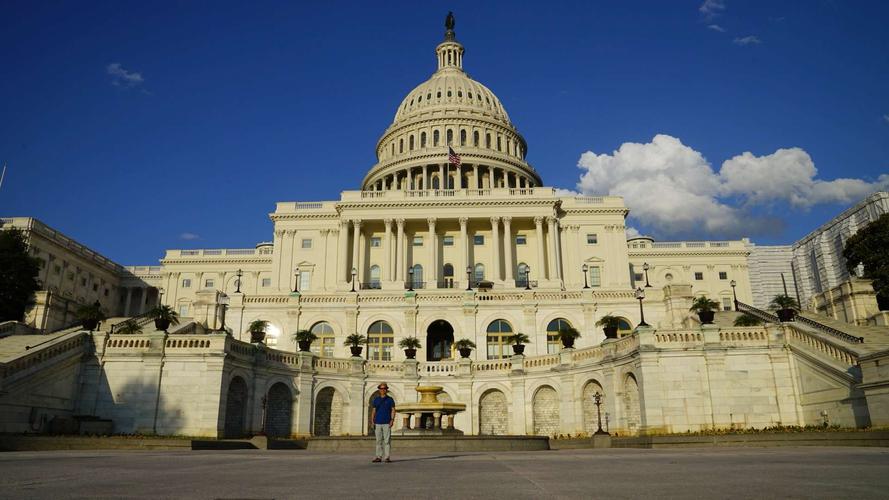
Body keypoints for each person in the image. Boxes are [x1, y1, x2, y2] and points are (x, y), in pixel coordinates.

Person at [370, 382, 396, 463]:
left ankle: (387, 457)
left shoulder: (390, 399)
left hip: (386, 422)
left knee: (387, 440)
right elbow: (374, 411)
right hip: (377, 422)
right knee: (378, 440)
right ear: (379, 390)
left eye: (384, 388)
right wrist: (372, 420)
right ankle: (378, 456)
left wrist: (392, 420)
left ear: (386, 390)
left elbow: (393, 410)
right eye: (381, 388)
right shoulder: (376, 400)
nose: (382, 390)